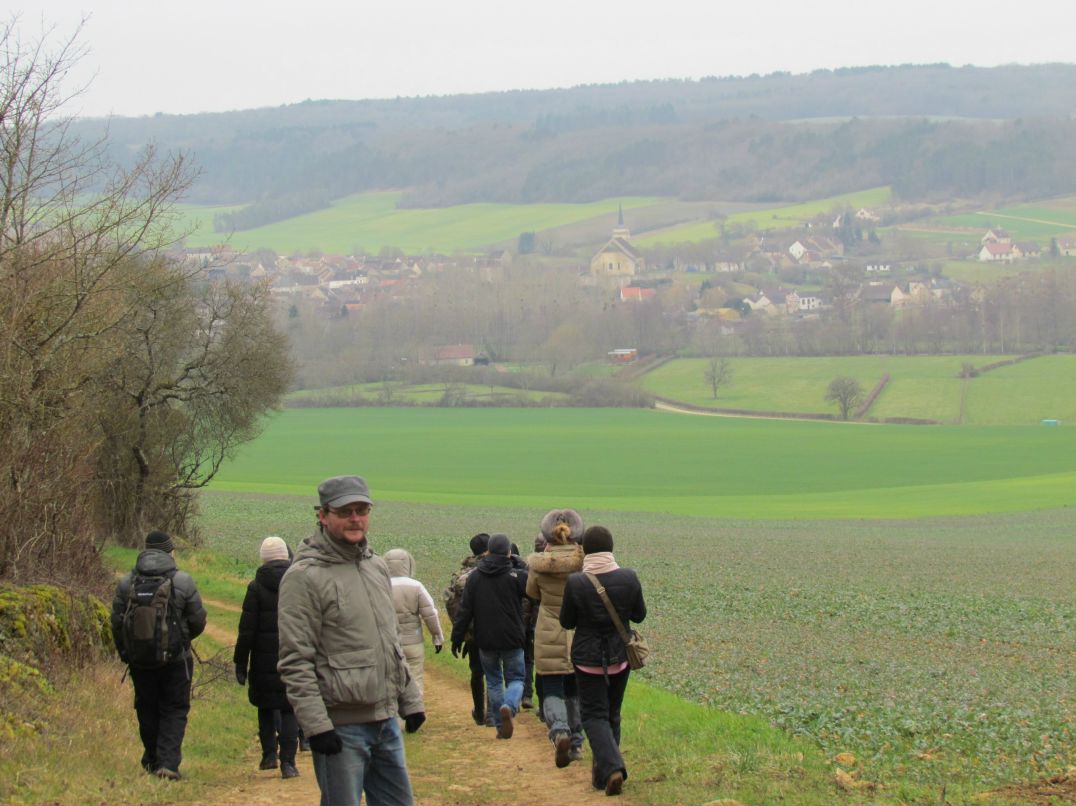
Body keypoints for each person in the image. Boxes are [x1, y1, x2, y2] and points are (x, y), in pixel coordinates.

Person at [278, 475, 425, 806]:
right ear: (323, 515)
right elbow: (295, 660)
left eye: (362, 510)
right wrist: (317, 727)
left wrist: (410, 700)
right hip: (340, 727)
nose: (356, 519)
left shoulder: (376, 567)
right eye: (346, 512)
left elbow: (390, 643)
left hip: (386, 722)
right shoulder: (304, 577)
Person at [110, 529, 207, 781]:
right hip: (176, 660)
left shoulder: (127, 582)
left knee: (147, 707)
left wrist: (126, 652)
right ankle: (168, 764)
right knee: (174, 708)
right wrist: (181, 641)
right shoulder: (183, 581)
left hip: (140, 660)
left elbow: (117, 623)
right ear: (170, 551)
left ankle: (152, 760)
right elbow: (198, 620)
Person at [559, 525, 646, 797]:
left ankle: (610, 770)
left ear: (585, 550)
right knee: (611, 714)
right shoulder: (629, 577)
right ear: (611, 549)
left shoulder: (576, 582)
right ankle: (603, 775)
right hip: (621, 656)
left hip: (588, 659)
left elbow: (567, 621)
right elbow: (639, 615)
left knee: (594, 716)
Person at [450, 533, 528, 740]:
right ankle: (509, 707)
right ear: (508, 553)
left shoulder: (475, 577)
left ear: (488, 552)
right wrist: (519, 562)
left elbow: (465, 611)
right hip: (512, 637)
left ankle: (497, 723)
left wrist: (456, 638)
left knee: (493, 681)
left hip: (485, 639)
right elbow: (532, 589)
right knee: (517, 679)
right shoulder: (516, 576)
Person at [234, 536, 300, 779]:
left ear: (263, 558)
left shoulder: (255, 587)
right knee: (290, 709)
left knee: (265, 709)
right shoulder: (298, 583)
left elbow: (246, 629)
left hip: (262, 660)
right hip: (293, 657)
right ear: (286, 556)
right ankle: (289, 764)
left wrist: (240, 662)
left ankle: (269, 756)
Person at [526, 510, 586, 768]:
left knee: (551, 687)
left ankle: (559, 731)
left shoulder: (539, 566)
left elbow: (532, 593)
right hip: (578, 632)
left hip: (549, 630)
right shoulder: (582, 564)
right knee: (574, 689)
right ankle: (576, 743)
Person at [443, 532, 491, 726]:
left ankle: (479, 712)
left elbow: (452, 604)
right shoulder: (494, 569)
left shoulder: (461, 575)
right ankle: (493, 713)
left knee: (477, 672)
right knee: (495, 672)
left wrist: (460, 634)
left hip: (472, 632)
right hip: (495, 629)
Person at [383, 548, 444, 695]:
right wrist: (437, 637)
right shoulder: (416, 586)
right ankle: (414, 713)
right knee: (415, 677)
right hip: (413, 642)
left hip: (389, 643)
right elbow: (430, 614)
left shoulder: (381, 586)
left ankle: (397, 715)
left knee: (391, 680)